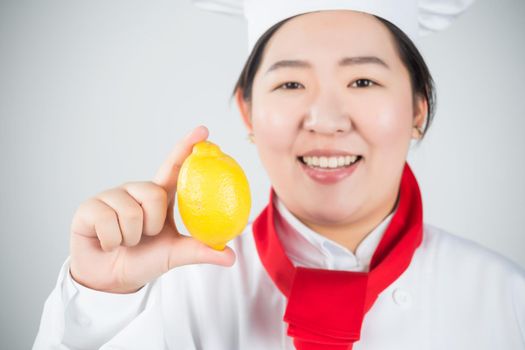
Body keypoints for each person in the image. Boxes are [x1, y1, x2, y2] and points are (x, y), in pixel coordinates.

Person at [34, 0, 525, 349]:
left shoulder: (506, 298)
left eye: (363, 80)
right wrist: (100, 299)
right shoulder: (173, 295)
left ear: (417, 108)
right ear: (247, 113)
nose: (326, 118)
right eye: (291, 82)